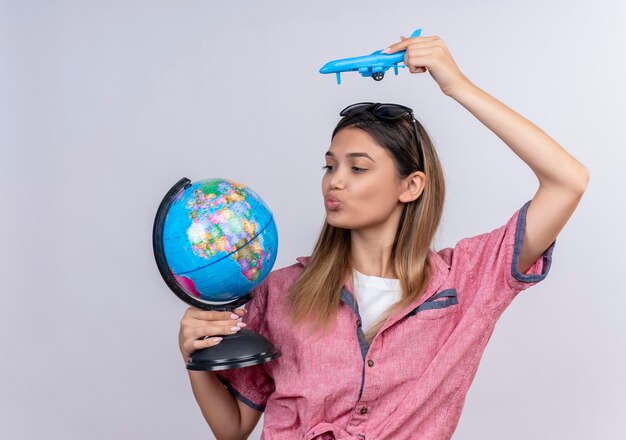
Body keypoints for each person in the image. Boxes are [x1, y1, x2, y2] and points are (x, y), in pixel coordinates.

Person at [177, 34, 589, 440]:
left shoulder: (466, 281)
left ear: (410, 186)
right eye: (329, 166)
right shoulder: (281, 290)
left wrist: (457, 86)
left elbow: (567, 181)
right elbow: (232, 429)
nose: (334, 182)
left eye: (357, 168)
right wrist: (193, 355)